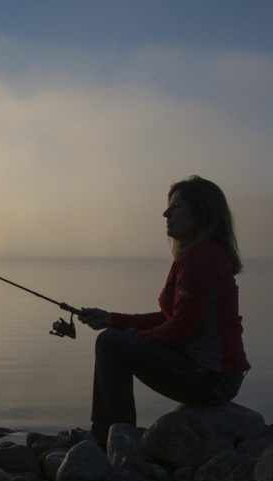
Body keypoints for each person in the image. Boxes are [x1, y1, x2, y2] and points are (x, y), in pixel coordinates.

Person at [76, 175, 251, 442]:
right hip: (218, 378)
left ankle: (109, 437)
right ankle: (114, 432)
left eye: (176, 206)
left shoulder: (201, 257)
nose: (166, 213)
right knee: (113, 339)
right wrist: (113, 319)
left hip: (211, 379)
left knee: (110, 344)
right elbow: (171, 318)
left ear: (200, 213)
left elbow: (179, 331)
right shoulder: (200, 255)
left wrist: (130, 336)